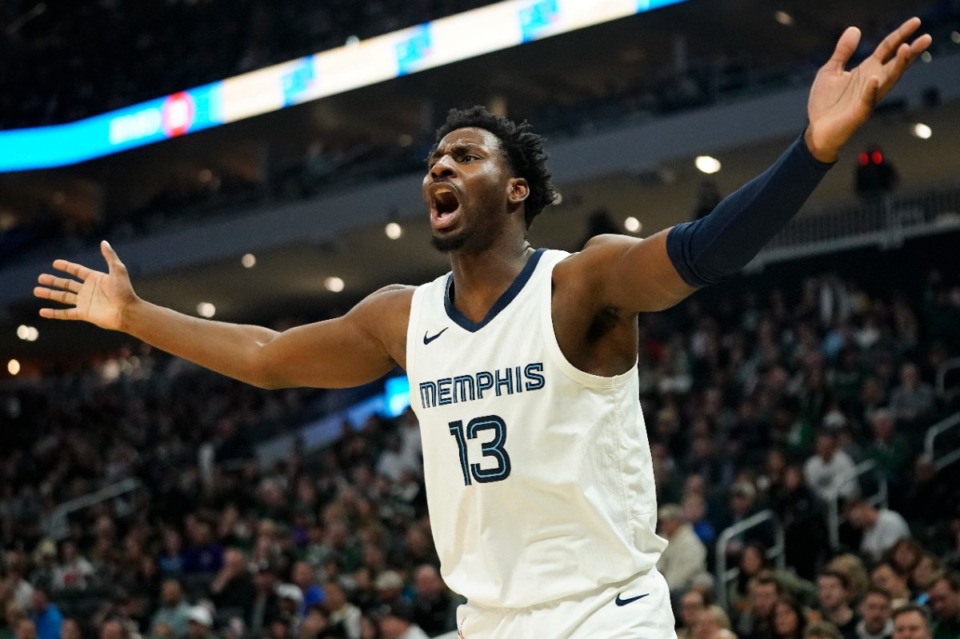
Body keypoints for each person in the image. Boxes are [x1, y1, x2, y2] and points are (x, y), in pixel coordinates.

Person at [34, 19, 931, 639]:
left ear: (514, 190)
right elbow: (269, 359)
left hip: (602, 613)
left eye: (463, 153)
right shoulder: (402, 316)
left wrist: (811, 150)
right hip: (488, 618)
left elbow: (704, 250)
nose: (439, 165)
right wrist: (136, 316)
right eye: (433, 158)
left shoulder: (581, 283)